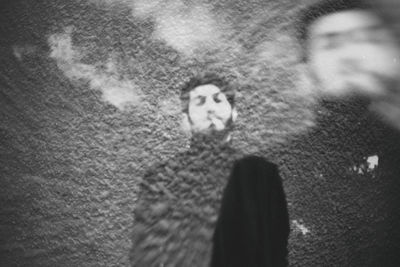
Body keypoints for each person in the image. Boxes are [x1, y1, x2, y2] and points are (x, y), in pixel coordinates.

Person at [130, 73, 289, 266]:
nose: (210, 108)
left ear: (234, 112)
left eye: (217, 99)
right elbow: (144, 255)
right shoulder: (160, 178)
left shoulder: (263, 174)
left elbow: (276, 250)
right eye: (200, 102)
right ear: (185, 120)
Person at [296, 0, 400, 131]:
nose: (352, 53)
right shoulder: (289, 151)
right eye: (331, 44)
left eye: (370, 39)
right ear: (305, 74)